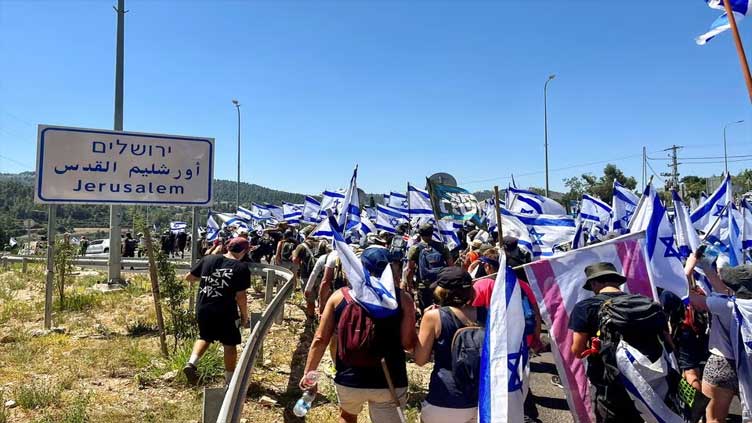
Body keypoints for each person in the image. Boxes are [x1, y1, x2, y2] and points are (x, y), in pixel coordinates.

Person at [301, 247, 417, 423]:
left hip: (349, 376)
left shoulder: (340, 297)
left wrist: (309, 375)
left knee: (347, 417)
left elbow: (320, 339)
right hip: (390, 378)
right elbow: (408, 344)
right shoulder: (403, 299)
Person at [569, 262, 665, 423]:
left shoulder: (585, 307)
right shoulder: (645, 303)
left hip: (608, 380)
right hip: (648, 377)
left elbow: (577, 350)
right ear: (617, 281)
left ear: (594, 283)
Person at [470, 248, 543, 422]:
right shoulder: (520, 284)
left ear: (487, 266)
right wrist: (536, 337)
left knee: (496, 378)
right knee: (517, 377)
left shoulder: (483, 285)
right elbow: (535, 312)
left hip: (494, 341)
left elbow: (468, 311)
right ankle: (526, 412)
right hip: (521, 339)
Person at [414, 267, 484, 423]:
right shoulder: (486, 313)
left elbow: (420, 359)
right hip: (481, 399)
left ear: (442, 291)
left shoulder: (434, 316)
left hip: (444, 397)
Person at [688, 256, 752, 423]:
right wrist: (708, 270)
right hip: (748, 365)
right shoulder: (737, 304)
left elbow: (691, 299)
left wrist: (687, 271)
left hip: (721, 363)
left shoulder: (726, 305)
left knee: (714, 419)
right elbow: (724, 291)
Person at [182, 237, 251, 386]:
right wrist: (245, 316)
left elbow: (189, 277)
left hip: (204, 307)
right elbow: (241, 297)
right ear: (244, 251)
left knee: (205, 337)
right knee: (229, 344)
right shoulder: (241, 268)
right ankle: (230, 381)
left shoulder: (208, 259)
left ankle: (191, 363)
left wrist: (209, 278)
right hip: (225, 311)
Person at [404, 223, 454, 312]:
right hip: (440, 283)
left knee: (426, 308)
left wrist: (409, 284)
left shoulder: (415, 248)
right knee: (442, 307)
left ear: (420, 233)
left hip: (423, 284)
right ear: (432, 233)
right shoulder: (442, 247)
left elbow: (410, 269)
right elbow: (451, 266)